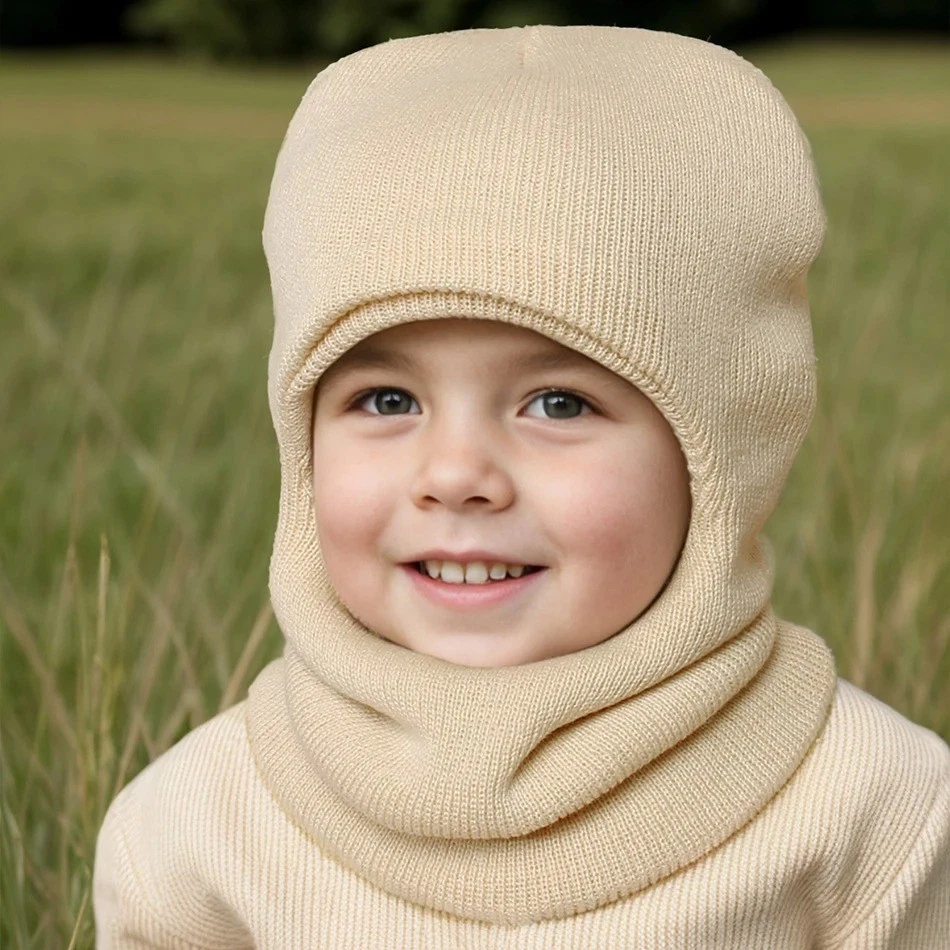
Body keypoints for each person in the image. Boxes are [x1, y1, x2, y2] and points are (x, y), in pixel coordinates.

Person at [93, 24, 950, 947]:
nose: (456, 475)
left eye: (556, 403)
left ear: (722, 448)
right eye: (386, 397)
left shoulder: (873, 810)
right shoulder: (193, 837)